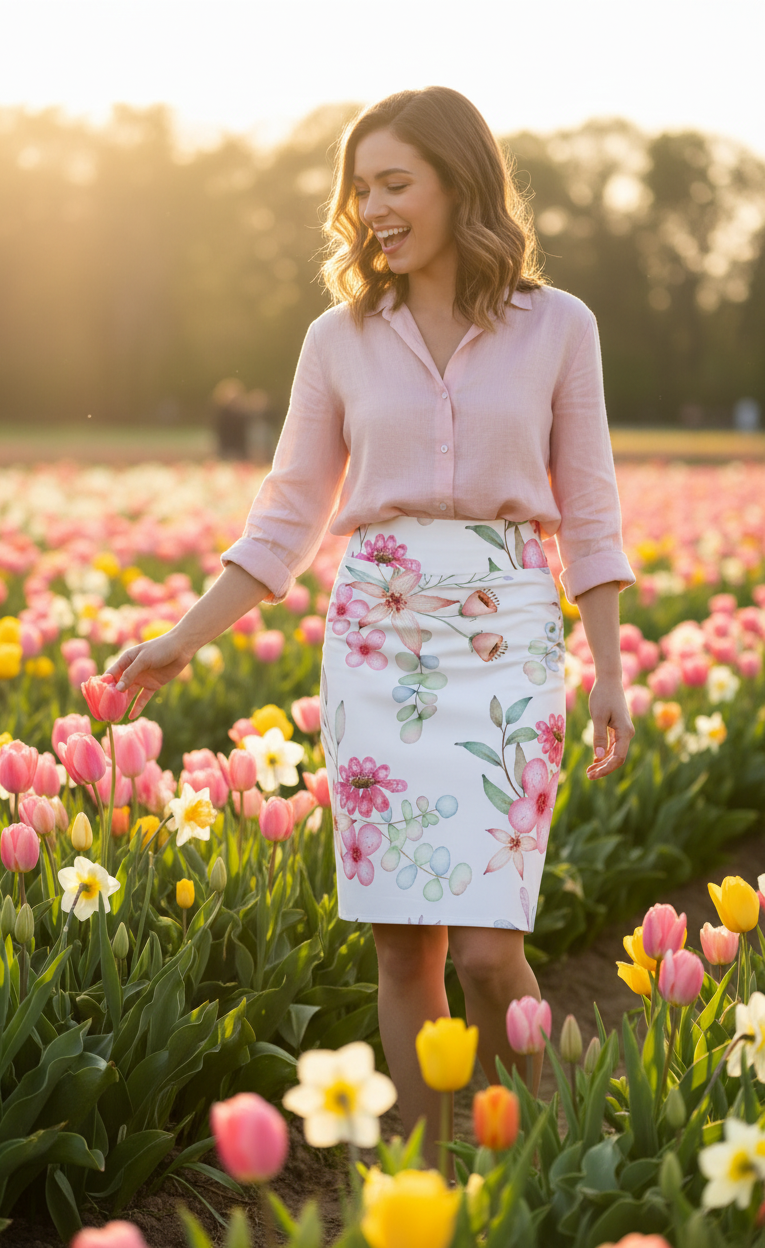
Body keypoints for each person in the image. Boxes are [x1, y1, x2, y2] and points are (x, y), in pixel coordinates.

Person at [106, 86, 636, 1149]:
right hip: (376, 643)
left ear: (460, 184)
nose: (372, 208)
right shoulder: (337, 338)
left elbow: (588, 506)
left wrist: (609, 673)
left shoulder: (558, 326)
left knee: (488, 953)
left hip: (507, 643)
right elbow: (286, 518)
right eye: (361, 189)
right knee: (405, 949)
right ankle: (427, 1178)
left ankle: (543, 1165)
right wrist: (180, 638)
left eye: (396, 183)